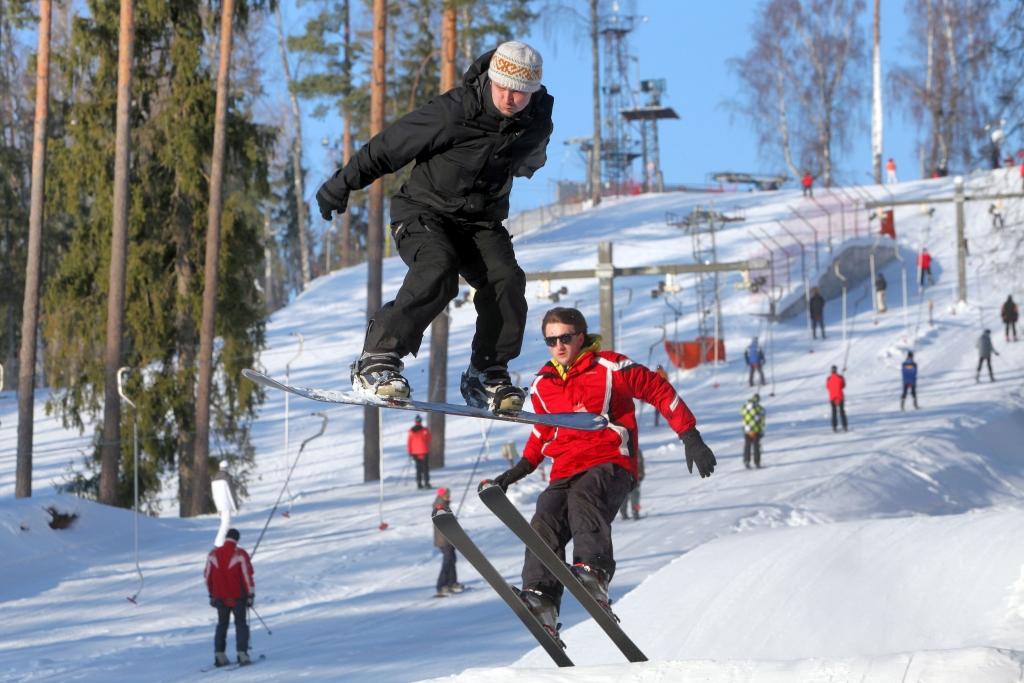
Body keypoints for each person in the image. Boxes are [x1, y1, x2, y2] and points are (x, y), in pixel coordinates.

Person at [315, 41, 553, 414]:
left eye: (520, 92)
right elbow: (388, 147)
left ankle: (486, 373)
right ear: (491, 80)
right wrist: (341, 184)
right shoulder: (453, 111)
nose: (510, 98)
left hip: (480, 222)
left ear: (533, 92)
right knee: (437, 269)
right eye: (503, 87)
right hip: (423, 213)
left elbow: (528, 161)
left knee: (506, 281)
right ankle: (377, 358)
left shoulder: (536, 121)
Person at [486, 307, 716, 642]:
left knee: (584, 497)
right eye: (551, 340)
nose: (559, 346)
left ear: (581, 337)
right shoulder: (543, 383)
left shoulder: (611, 367)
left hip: (610, 462)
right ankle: (541, 597)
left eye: (565, 338)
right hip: (565, 468)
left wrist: (690, 436)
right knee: (546, 514)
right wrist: (518, 470)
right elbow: (542, 432)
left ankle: (594, 569)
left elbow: (659, 390)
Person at [204, 528, 255, 667]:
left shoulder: (213, 554)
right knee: (240, 624)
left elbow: (207, 576)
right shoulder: (240, 553)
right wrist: (250, 594)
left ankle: (219, 655)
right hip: (238, 596)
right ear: (237, 539)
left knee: (222, 624)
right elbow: (247, 575)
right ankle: (242, 654)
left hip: (219, 596)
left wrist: (211, 594)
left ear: (226, 537)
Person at [432, 488, 464, 597]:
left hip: (448, 538)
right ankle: (441, 585)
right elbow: (442, 521)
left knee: (452, 560)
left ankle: (452, 583)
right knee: (447, 562)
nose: (449, 496)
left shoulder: (443, 504)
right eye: (447, 495)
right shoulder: (439, 505)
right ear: (442, 495)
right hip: (444, 539)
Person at [211, 460, 238, 548]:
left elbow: (214, 495)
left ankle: (224, 542)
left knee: (224, 523)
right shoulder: (227, 478)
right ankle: (218, 543)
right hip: (226, 505)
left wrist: (217, 508)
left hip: (219, 505)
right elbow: (231, 494)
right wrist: (235, 507)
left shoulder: (214, 479)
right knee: (225, 524)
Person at [618, 449, 645, 520]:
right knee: (634, 496)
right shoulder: (635, 450)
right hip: (630, 476)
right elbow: (640, 463)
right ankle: (632, 512)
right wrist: (641, 474)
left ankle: (625, 513)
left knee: (626, 496)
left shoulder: (620, 449)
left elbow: (640, 463)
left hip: (626, 476)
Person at [740, 393, 766, 469]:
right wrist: (761, 430)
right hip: (756, 430)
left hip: (747, 430)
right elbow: (762, 420)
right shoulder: (759, 408)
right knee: (756, 446)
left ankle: (746, 461)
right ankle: (757, 462)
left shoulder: (744, 407)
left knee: (747, 446)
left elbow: (741, 413)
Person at [407, 415, 432, 489]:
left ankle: (419, 483)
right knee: (425, 468)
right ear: (421, 421)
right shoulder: (424, 430)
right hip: (424, 451)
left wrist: (410, 452)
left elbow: (409, 442)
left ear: (415, 421)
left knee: (418, 468)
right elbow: (429, 439)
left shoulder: (411, 431)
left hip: (415, 452)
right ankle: (426, 483)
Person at [826, 365, 848, 432]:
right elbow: (843, 386)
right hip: (840, 397)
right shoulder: (840, 377)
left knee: (834, 412)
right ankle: (845, 426)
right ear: (836, 370)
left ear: (831, 370)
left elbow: (828, 387)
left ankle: (834, 427)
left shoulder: (829, 378)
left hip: (832, 397)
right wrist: (841, 379)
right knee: (842, 412)